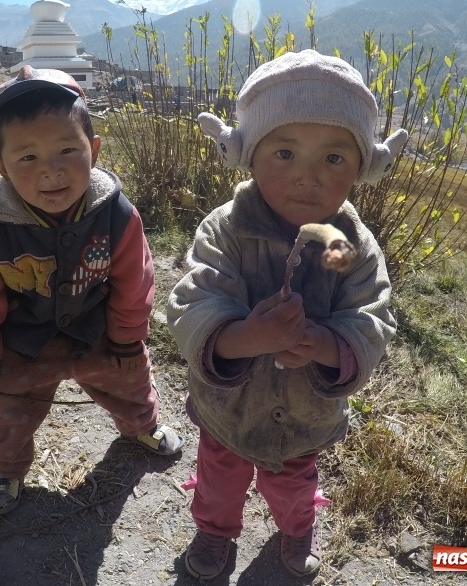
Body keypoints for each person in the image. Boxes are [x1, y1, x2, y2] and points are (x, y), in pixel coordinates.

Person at [167, 50, 406, 580]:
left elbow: (373, 315)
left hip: (306, 416)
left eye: (334, 159)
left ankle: (296, 527)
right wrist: (240, 337)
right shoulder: (223, 230)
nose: (307, 177)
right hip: (228, 409)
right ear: (247, 155)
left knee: (295, 482)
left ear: (363, 166)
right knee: (219, 478)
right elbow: (191, 301)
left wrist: (328, 346)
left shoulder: (354, 247)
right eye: (283, 153)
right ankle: (214, 530)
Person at [0, 66, 184, 516]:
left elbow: (134, 282)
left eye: (67, 150)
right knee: (5, 410)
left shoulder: (115, 214)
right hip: (21, 343)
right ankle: (5, 470)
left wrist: (126, 338)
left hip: (96, 329)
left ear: (93, 150)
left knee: (131, 379)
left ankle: (141, 426)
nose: (51, 171)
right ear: (1, 167)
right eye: (28, 158)